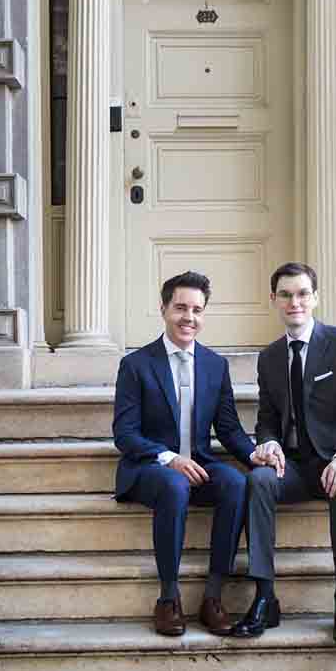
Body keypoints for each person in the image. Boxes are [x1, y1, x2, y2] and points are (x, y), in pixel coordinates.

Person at [231, 261, 336, 644]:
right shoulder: (268, 358)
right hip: (296, 465)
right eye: (285, 294)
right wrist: (267, 442)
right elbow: (267, 417)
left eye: (301, 293)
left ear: (315, 298)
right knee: (259, 480)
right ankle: (265, 597)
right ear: (273, 300)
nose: (294, 302)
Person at [113, 270, 262, 637]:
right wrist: (169, 458)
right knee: (174, 485)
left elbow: (228, 430)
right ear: (163, 309)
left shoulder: (215, 365)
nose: (188, 318)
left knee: (235, 482)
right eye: (180, 307)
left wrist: (256, 454)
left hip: (198, 462)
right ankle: (168, 599)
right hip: (150, 468)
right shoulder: (136, 365)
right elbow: (125, 434)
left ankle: (212, 598)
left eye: (197, 309)